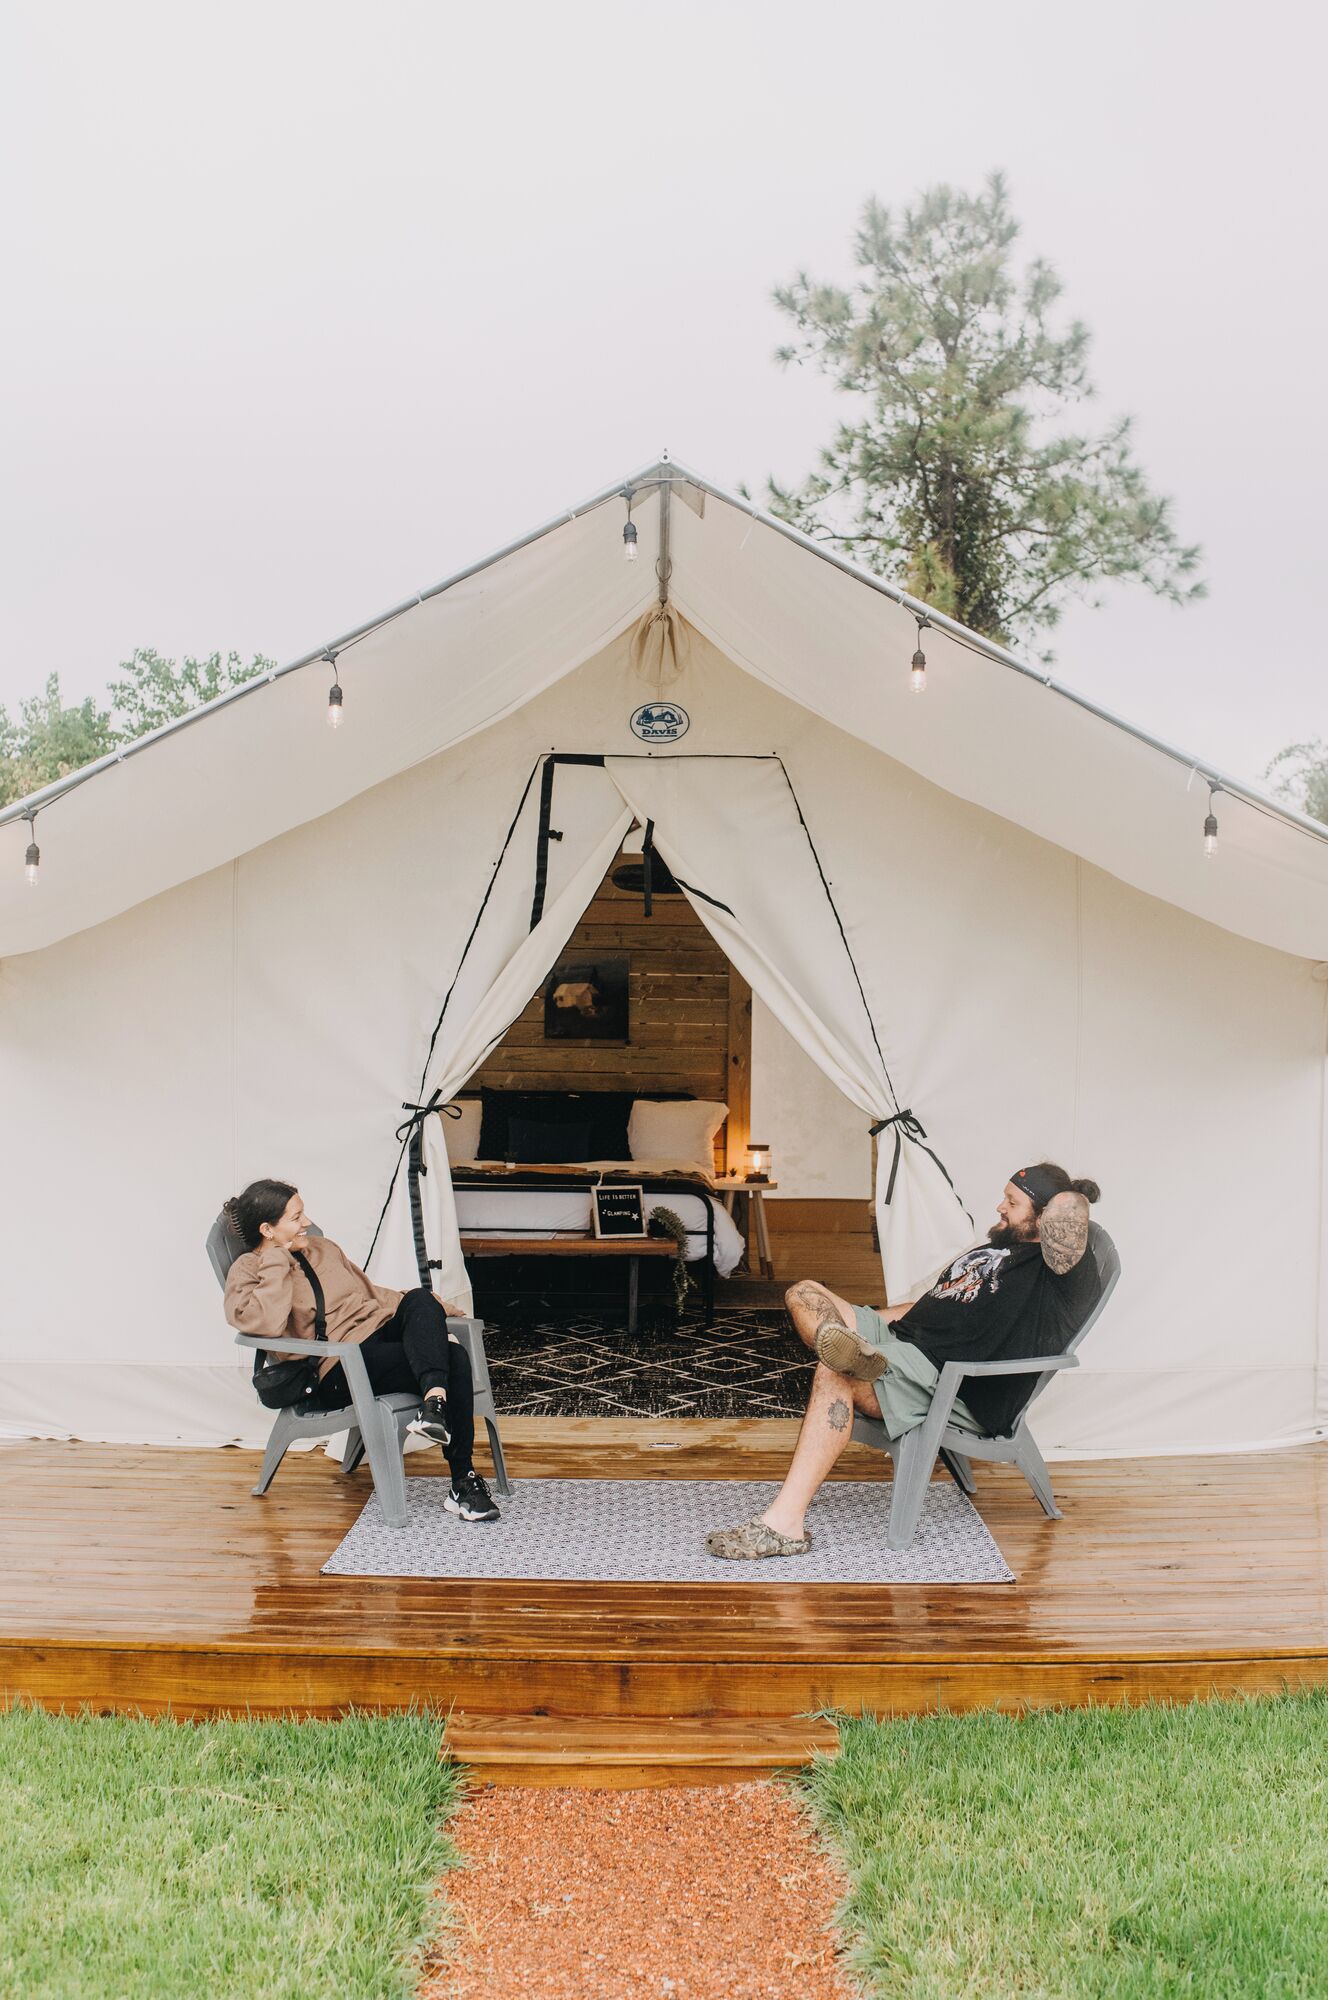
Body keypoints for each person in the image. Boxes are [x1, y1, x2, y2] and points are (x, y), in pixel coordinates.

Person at [705, 1162, 1102, 1559]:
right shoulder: (999, 1247)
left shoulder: (1061, 1273)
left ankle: (784, 1524)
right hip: (899, 1341)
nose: (999, 1207)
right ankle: (849, 1348)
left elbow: (1070, 1206)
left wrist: (1059, 1195)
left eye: (1012, 1202)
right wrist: (873, 1319)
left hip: (939, 1378)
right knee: (805, 1291)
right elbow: (940, 1301)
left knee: (834, 1373)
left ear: (1045, 1215)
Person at [223, 1179, 500, 1523]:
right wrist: (278, 1260)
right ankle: (463, 1480)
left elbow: (370, 1294)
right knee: (453, 1357)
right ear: (267, 1229)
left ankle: (434, 1406)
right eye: (296, 1217)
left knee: (419, 1298)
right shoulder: (248, 1270)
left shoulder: (322, 1248)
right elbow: (263, 1323)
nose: (306, 1221)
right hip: (337, 1367)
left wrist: (432, 1310)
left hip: (377, 1341)